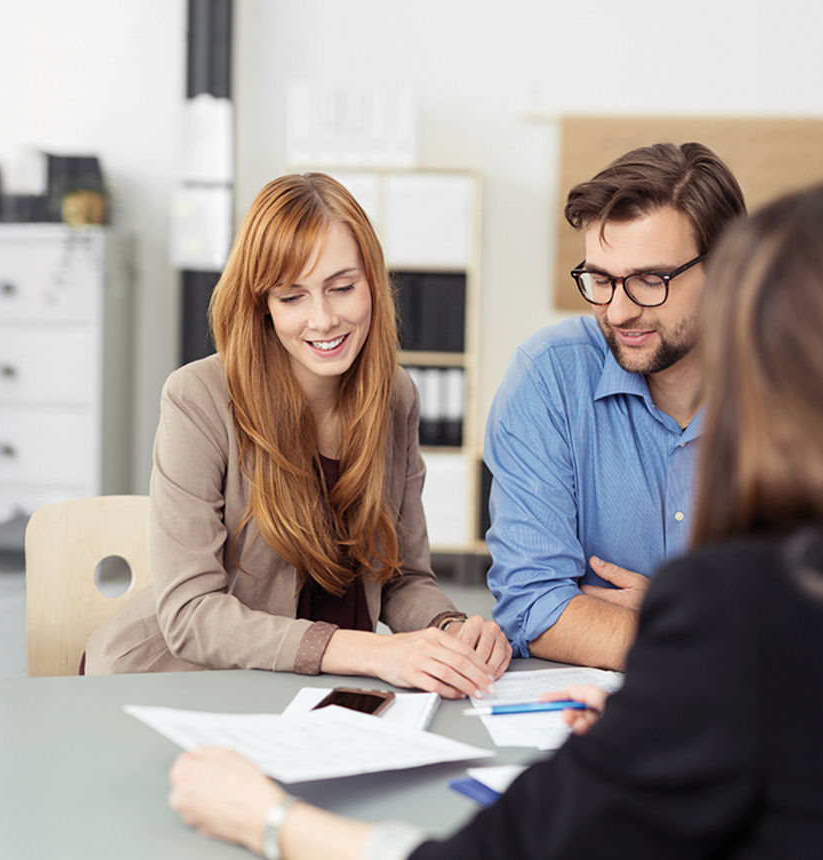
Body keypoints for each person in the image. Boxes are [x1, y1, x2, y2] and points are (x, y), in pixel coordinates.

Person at [165, 178, 823, 859]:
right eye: (602, 281)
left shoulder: (741, 616)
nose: (622, 309)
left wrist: (270, 819)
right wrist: (682, 706)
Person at [85, 173, 510, 697]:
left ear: (373, 282)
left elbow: (402, 579)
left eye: (342, 287)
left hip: (311, 689)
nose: (323, 319)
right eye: (292, 297)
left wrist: (450, 630)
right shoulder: (197, 397)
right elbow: (191, 614)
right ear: (263, 303)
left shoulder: (394, 396)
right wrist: (373, 652)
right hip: (178, 684)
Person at [484, 141, 748, 669]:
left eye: (651, 280)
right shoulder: (549, 378)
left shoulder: (798, 392)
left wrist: (671, 618)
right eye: (601, 280)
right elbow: (534, 605)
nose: (619, 311)